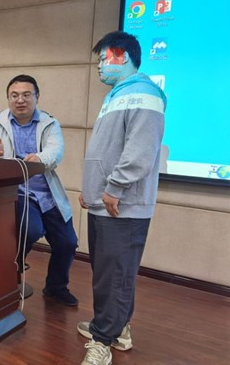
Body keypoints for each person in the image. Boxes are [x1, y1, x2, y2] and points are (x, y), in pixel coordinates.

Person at [78, 31, 167, 365]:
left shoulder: (145, 93)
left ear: (123, 55)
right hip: (104, 203)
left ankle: (102, 341)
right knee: (109, 274)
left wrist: (114, 187)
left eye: (104, 58)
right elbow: (106, 150)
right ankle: (117, 328)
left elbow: (140, 151)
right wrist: (91, 190)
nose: (100, 66)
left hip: (123, 206)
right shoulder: (117, 94)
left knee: (114, 277)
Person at [0, 74, 78, 306]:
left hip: (47, 194)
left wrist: (40, 158)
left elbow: (56, 151)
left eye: (26, 95)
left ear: (37, 97)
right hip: (18, 192)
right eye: (14, 95)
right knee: (32, 230)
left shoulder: (49, 123)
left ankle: (56, 287)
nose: (20, 100)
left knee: (68, 243)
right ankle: (12, 267)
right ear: (8, 98)